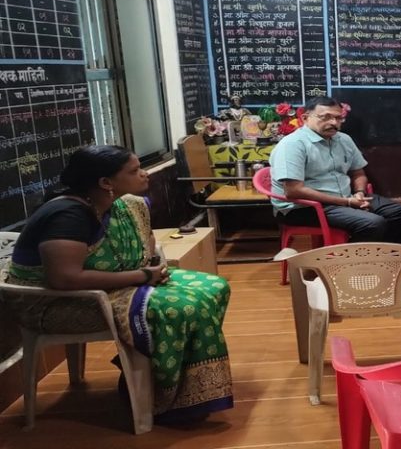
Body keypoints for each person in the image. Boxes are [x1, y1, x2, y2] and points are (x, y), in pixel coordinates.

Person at [5, 145, 233, 422]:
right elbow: (64, 279)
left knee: (213, 287)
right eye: (134, 171)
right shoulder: (68, 216)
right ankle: (159, 391)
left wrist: (150, 267)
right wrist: (142, 276)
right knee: (180, 308)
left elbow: (145, 246)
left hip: (106, 287)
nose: (144, 174)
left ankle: (156, 368)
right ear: (106, 183)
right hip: (56, 303)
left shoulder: (119, 205)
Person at [269, 96, 401, 244]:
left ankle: (381, 254)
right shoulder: (293, 144)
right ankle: (347, 258)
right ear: (305, 118)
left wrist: (359, 192)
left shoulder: (343, 139)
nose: (334, 123)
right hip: (303, 207)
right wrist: (347, 202)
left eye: (338, 118)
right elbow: (293, 191)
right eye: (326, 117)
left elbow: (358, 173)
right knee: (372, 223)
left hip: (345, 197)